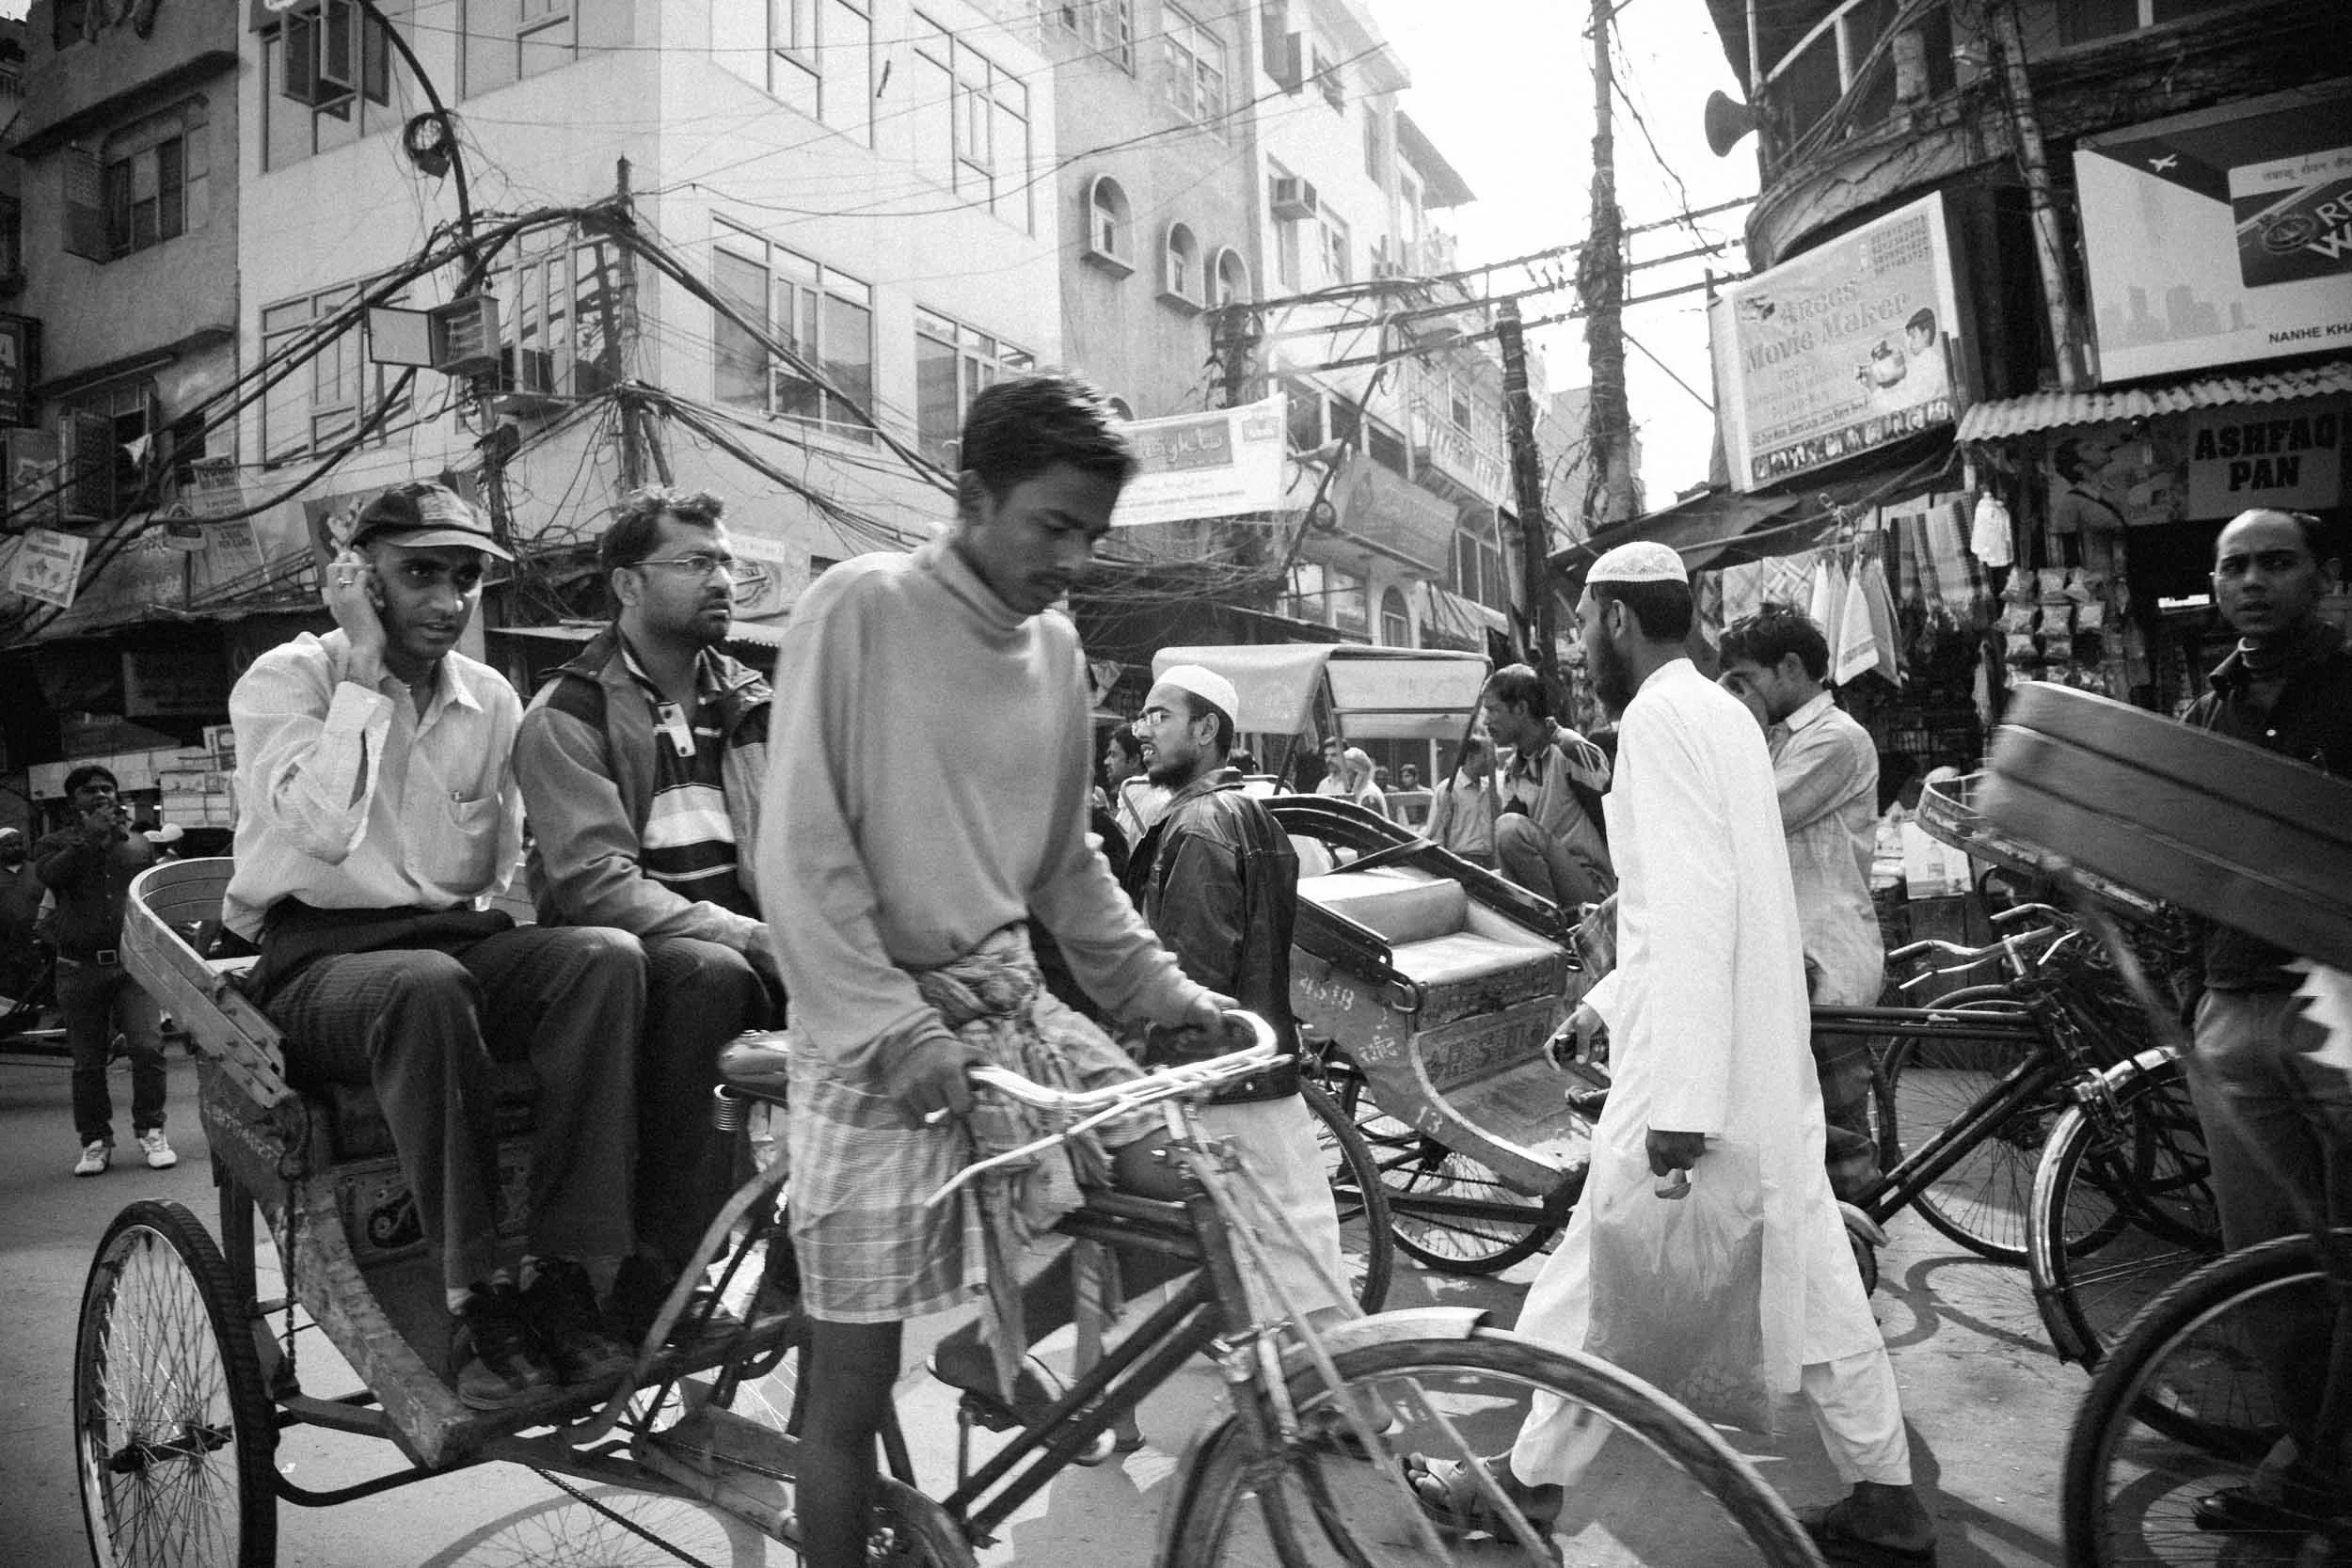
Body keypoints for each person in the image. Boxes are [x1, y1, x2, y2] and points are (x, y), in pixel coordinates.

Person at [755, 372, 1239, 1568]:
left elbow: (1067, 863)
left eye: (1092, 535)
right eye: (1052, 526)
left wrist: (1164, 994)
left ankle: (989, 1342)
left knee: (1195, 1209)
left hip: (1014, 1010)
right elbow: (802, 854)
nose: (1072, 558)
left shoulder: (1059, 649)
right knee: (849, 1389)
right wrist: (892, 1030)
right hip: (875, 1028)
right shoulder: (857, 607)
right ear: (972, 496)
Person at [1406, 542, 1933, 1566]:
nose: (1575, 644)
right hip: (1751, 1059)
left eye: (1580, 624)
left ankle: (1521, 1485)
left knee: (1597, 1271)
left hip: (1705, 1070)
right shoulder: (1721, 714)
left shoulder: (1659, 719)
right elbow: (1686, 905)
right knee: (1815, 1281)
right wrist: (1608, 1000)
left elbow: (1693, 911)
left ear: (1612, 618)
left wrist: (1680, 1103)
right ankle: (1886, 1495)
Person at [226, 481, 643, 1411]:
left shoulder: (488, 696)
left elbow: (501, 876)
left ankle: (562, 1268)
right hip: (318, 964)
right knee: (423, 983)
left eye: (464, 577)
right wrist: (367, 671)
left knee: (605, 958)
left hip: (452, 945)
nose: (449, 601)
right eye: (420, 573)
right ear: (357, 577)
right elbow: (325, 833)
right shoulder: (287, 678)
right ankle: (474, 1294)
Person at [516, 483, 783, 1337]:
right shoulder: (568, 711)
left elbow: (797, 845)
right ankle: (658, 1268)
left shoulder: (751, 697)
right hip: (638, 956)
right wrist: (750, 934)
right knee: (712, 972)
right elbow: (594, 881)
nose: (724, 580)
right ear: (628, 585)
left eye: (728, 562)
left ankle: (814, 1245)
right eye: (697, 562)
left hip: (750, 945)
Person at [2177, 508, 2351, 1534]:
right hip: (2233, 1005)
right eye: (2235, 565)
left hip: (2339, 995)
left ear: (2321, 576)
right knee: (2265, 1266)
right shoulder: (2204, 715)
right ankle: (2307, 1460)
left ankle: (2321, 1470)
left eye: (2275, 562)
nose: (2253, 580)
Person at [1128, 663, 1346, 1322]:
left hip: (1216, 1086)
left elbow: (1193, 976)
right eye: (1144, 717)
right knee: (1301, 1259)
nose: (1144, 731)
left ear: (1207, 728)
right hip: (1263, 1074)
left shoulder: (1197, 828)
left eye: (1160, 716)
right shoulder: (1254, 815)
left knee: (1254, 1277)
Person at [1719, 605, 1887, 1203]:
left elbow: (1751, 815)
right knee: (1801, 1129)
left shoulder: (1835, 740)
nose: (1736, 693)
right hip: (1790, 957)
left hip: (1824, 957)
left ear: (1790, 667)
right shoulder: (1779, 739)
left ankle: (1856, 1265)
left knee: (1840, 1141)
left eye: (1743, 678)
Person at [35, 766, 173, 1177]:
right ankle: (95, 1141)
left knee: (148, 1047)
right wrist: (91, 840)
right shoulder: (52, 843)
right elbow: (51, 876)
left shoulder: (136, 844)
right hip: (80, 968)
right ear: (72, 800)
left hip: (133, 964)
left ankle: (151, 1129)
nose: (100, 795)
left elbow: (148, 898)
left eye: (107, 789)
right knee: (88, 1062)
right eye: (89, 790)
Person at [1479, 663, 1614, 908]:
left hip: (1593, 888)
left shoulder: (1571, 750)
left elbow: (1615, 826)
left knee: (1509, 828)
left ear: (1520, 708)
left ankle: (1546, 919)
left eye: (1492, 710)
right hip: (1549, 879)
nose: (1486, 721)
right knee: (1481, 881)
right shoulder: (1513, 769)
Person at [1422, 735, 1502, 869]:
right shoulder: (1448, 790)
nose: (1494, 762)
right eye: (1487, 756)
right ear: (1470, 757)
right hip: (1460, 863)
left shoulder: (1490, 790)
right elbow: (1437, 835)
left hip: (1490, 863)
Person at [0, 826, 48, 1007]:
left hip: (36, 946)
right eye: (9, 845)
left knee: (36, 994)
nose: (15, 848)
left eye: (18, 844)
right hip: (5, 950)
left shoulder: (38, 871)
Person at [1104, 721, 1168, 844]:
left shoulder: (1152, 806)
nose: (1106, 762)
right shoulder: (1132, 800)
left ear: (1134, 761)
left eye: (1113, 755)